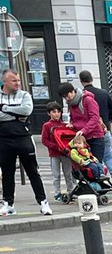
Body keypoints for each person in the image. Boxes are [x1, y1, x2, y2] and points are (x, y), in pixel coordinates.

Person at [1, 70, 51, 217]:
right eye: (13, 81)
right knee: (7, 172)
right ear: (4, 81)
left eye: (18, 80)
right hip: (4, 139)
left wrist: (4, 108)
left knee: (33, 171)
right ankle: (8, 204)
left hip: (23, 137)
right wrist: (16, 114)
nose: (17, 83)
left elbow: (27, 110)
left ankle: (43, 202)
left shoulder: (25, 95)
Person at [80, 71, 112, 191]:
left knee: (93, 159)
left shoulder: (83, 96)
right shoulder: (103, 93)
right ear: (92, 79)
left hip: (91, 132)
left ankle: (99, 181)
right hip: (105, 129)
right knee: (108, 157)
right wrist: (106, 120)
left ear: (81, 81)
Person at [40, 101, 73, 202]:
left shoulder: (64, 125)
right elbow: (44, 140)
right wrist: (54, 146)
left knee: (68, 173)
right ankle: (57, 192)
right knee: (56, 175)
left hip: (64, 153)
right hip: (54, 153)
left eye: (58, 111)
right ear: (49, 113)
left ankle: (71, 191)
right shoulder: (47, 125)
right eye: (54, 112)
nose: (57, 114)